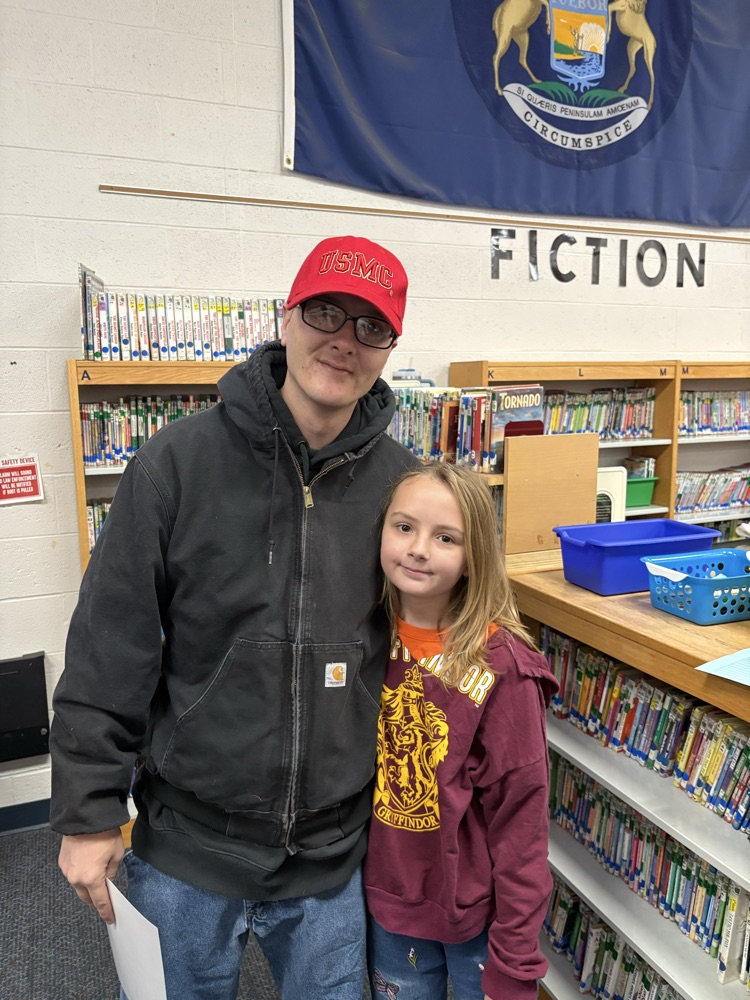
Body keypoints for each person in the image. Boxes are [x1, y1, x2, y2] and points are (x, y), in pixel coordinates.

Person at [50, 235, 420, 1000]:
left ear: (390, 347)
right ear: (287, 316)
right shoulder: (177, 463)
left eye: (371, 327)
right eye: (325, 311)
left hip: (334, 860)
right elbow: (107, 646)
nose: (344, 341)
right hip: (186, 848)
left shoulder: (408, 490)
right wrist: (88, 811)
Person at [364, 463, 558, 1000]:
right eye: (403, 527)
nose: (419, 548)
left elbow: (522, 824)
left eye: (445, 537)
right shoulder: (360, 639)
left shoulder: (505, 669)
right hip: (388, 904)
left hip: (474, 917)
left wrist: (517, 960)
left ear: (474, 557)